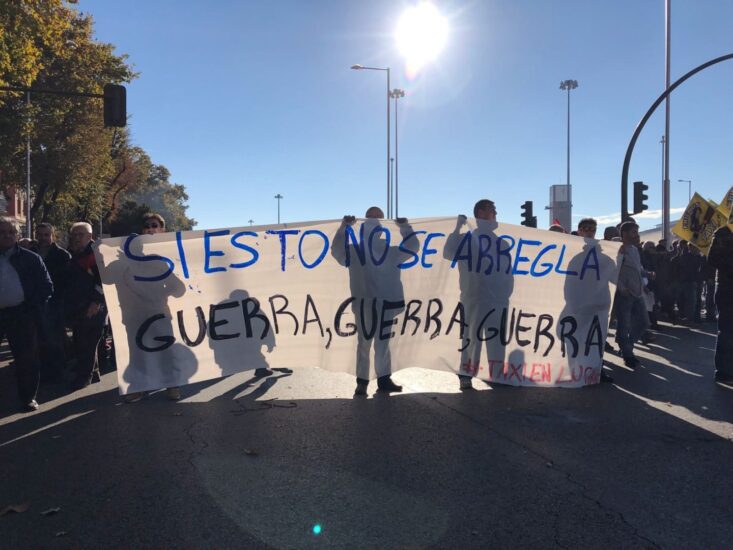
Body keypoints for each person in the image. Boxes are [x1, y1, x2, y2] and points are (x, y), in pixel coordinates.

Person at [331, 207, 417, 395]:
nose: (374, 219)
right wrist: (343, 228)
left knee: (379, 343)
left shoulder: (378, 252)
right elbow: (337, 250)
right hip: (369, 304)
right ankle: (367, 381)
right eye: (371, 216)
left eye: (377, 217)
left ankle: (377, 380)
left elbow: (413, 248)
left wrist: (405, 227)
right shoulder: (357, 251)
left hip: (381, 304)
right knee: (369, 343)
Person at [444, 199, 514, 390]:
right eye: (493, 211)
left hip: (497, 299)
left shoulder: (501, 243)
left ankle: (496, 374)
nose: (496, 215)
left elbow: (508, 272)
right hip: (473, 297)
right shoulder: (465, 240)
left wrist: (506, 293)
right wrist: (457, 227)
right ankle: (466, 374)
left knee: (496, 338)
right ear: (481, 214)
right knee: (470, 337)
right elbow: (448, 252)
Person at [124, 213, 183, 402]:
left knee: (166, 349)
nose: (150, 229)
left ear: (162, 229)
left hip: (159, 313)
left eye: (154, 225)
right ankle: (141, 387)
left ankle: (172, 385)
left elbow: (179, 288)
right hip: (135, 314)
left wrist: (161, 294)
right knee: (137, 351)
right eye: (147, 226)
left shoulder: (165, 258)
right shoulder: (130, 257)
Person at [0, 217, 53, 411]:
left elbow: (46, 287)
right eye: (2, 232)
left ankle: (28, 397)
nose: (6, 236)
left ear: (17, 235)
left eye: (10, 232)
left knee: (26, 359)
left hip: (21, 314)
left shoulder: (30, 258)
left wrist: (31, 308)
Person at [65, 222, 108, 390]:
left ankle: (84, 377)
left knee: (86, 343)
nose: (76, 238)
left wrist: (96, 302)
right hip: (79, 306)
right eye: (74, 235)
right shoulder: (73, 254)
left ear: (90, 237)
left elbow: (102, 280)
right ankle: (94, 372)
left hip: (94, 307)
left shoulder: (97, 254)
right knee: (84, 341)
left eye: (80, 235)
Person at [33, 223, 71, 382]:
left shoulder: (62, 255)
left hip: (55, 304)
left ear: (52, 236)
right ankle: (42, 370)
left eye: (46, 235)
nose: (42, 238)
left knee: (55, 339)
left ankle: (57, 372)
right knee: (38, 339)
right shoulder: (30, 253)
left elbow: (66, 282)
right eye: (40, 234)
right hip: (34, 304)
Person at [614, 221, 652, 369]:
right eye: (633, 232)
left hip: (638, 292)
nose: (637, 235)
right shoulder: (619, 249)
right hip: (625, 294)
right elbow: (613, 270)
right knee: (624, 325)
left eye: (637, 231)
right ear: (624, 234)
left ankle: (626, 346)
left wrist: (647, 274)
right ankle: (628, 355)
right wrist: (621, 287)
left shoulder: (635, 250)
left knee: (643, 322)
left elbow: (637, 269)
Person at [707, 224, 733, 384]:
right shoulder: (724, 233)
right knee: (727, 330)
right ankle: (723, 372)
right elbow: (713, 259)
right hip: (727, 286)